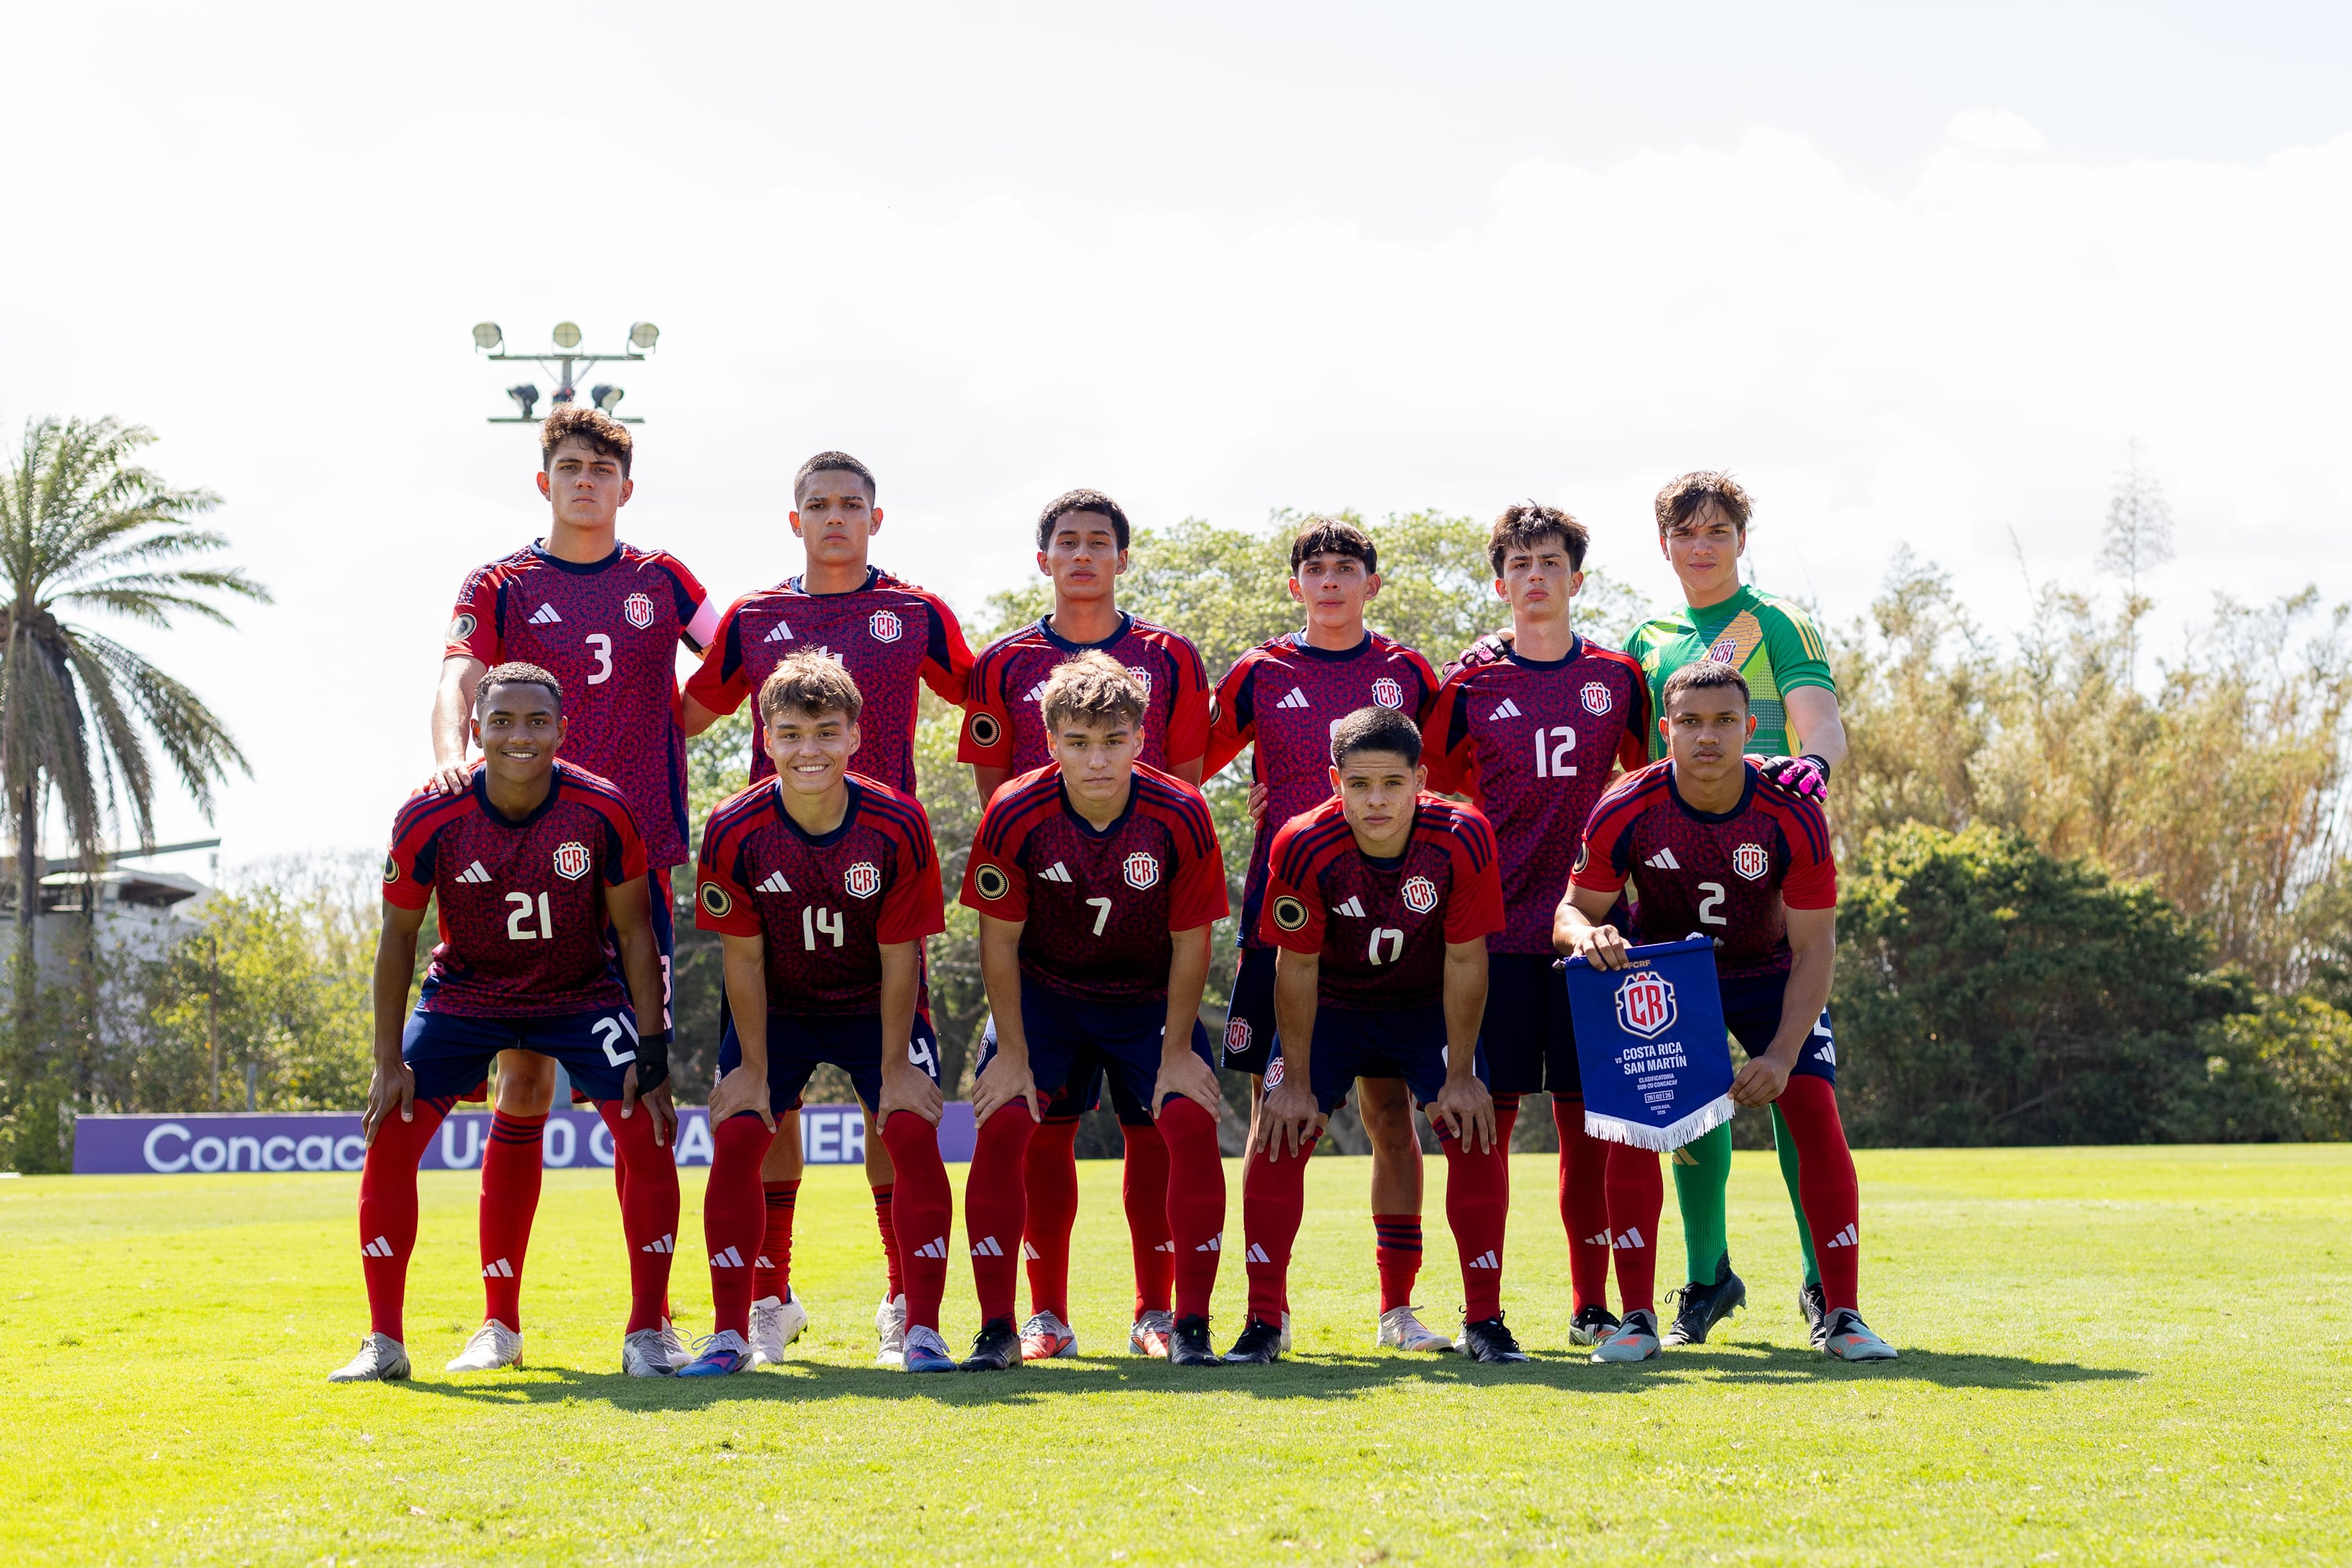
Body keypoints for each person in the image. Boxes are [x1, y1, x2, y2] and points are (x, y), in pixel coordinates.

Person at [429, 408, 712, 1372]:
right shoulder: (500, 582)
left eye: (602, 469)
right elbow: (458, 677)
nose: (585, 480)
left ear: (625, 488)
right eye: (569, 467)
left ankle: (651, 1322)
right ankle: (498, 1322)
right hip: (515, 856)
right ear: (542, 480)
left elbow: (735, 651)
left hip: (633, 863)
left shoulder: (661, 578)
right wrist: (444, 765)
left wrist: (675, 723)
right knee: (524, 1076)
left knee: (644, 1086)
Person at [680, 449, 973, 1366]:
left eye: (852, 504)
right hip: (777, 888)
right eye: (819, 504)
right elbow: (685, 711)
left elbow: (992, 694)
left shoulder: (918, 610)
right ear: (794, 517)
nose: (836, 517)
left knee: (901, 1107)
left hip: (877, 878)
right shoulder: (754, 618)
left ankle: (904, 1301)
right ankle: (765, 1300)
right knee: (762, 1111)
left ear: (875, 519)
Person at [330, 663, 677, 1381]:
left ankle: (649, 1331)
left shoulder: (602, 809)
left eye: (536, 721)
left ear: (562, 730)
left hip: (580, 995)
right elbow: (397, 938)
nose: (519, 736)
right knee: (391, 1134)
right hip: (465, 997)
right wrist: (387, 1059)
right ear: (476, 730)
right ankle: (387, 1341)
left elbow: (638, 935)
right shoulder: (430, 814)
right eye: (502, 721)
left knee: (644, 1128)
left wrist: (653, 1047)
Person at [1555, 660, 1896, 1363]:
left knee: (1812, 1113)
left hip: (1770, 975)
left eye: (1723, 722)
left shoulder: (1791, 812)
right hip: (1671, 980)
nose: (1706, 736)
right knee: (1640, 1132)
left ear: (1750, 727)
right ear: (1665, 730)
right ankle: (1639, 1320)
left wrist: (1779, 1053)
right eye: (1689, 722)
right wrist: (1588, 935)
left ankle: (1843, 1316)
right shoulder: (1627, 804)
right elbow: (1570, 911)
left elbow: (1815, 947)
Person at [957, 489, 1212, 1360]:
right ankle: (1023, 1318)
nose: (1096, 757)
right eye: (1076, 741)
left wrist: (1178, 1046)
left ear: (1142, 734)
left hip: (1144, 993)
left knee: (1178, 1119)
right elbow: (996, 934)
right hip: (1047, 991)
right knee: (1009, 1118)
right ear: (1050, 737)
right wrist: (1016, 1048)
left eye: (1113, 740)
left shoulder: (1179, 810)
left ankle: (1169, 1316)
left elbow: (1191, 937)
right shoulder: (1015, 810)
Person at [1202, 517, 1445, 1353]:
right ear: (1296, 582)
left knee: (1389, 1116)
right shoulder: (1260, 671)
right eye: (1316, 567)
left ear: (1372, 584)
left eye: (1347, 567)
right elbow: (1176, 765)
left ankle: (1398, 1308)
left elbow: (1445, 774)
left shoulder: (1409, 671)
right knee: (1279, 1112)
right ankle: (1265, 1312)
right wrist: (1247, 799)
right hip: (1286, 915)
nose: (1331, 579)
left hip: (1393, 921)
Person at [1621, 471, 1850, 1348]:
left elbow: (1818, 723)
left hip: (1767, 884)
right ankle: (1707, 1278)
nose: (1704, 545)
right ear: (1666, 545)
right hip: (1672, 895)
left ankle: (1825, 1282)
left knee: (1800, 1089)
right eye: (1688, 532)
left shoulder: (1780, 621)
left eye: (1719, 529)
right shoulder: (1650, 638)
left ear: (1741, 539)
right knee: (1681, 1102)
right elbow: (1636, 761)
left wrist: (1813, 769)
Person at [1228, 706, 1523, 1364]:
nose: (1377, 800)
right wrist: (1296, 1082)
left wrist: (1462, 1072)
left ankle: (1482, 1320)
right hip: (1332, 1003)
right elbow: (1296, 965)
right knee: (1278, 1131)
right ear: (1335, 781)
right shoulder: (1301, 842)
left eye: (1393, 783)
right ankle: (1263, 1320)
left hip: (1423, 1005)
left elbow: (1467, 959)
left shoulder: (1463, 835)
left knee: (1469, 1129)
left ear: (1421, 778)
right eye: (1359, 784)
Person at [1423, 503, 1650, 1347]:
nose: (1535, 576)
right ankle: (1484, 1316)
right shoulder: (1468, 682)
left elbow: (1648, 785)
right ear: (1500, 581)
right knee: (1483, 1123)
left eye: (1551, 561)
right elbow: (1430, 797)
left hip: (1598, 938)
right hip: (1494, 937)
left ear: (1576, 578)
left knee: (1593, 1128)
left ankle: (1596, 1304)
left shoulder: (1620, 677)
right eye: (1519, 564)